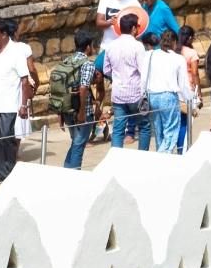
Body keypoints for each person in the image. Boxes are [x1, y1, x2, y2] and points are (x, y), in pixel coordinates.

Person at [0, 18, 34, 183]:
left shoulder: (16, 52)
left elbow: (24, 80)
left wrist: (24, 105)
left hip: (9, 105)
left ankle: (9, 174)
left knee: (6, 140)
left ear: (3, 34)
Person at [103, 13, 152, 150]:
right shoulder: (137, 46)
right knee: (144, 126)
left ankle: (115, 159)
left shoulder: (110, 46)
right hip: (136, 94)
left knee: (118, 130)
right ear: (133, 29)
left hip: (118, 94)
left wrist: (118, 76)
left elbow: (106, 70)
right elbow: (144, 71)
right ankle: (142, 155)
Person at [61, 29, 103, 170]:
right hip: (81, 112)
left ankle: (67, 170)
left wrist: (61, 113)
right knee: (79, 145)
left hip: (67, 109)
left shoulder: (67, 60)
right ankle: (74, 175)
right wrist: (82, 113)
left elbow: (62, 87)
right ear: (87, 47)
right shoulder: (87, 64)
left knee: (76, 143)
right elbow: (84, 88)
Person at [145, 30, 188, 153]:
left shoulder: (150, 55)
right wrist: (190, 99)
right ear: (174, 42)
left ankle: (161, 155)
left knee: (159, 132)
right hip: (168, 97)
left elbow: (144, 78)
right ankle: (161, 157)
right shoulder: (178, 58)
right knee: (170, 132)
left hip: (152, 96)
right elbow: (184, 84)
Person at [177, 25, 202, 151]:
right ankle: (183, 148)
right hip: (189, 90)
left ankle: (179, 147)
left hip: (176, 89)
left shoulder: (175, 50)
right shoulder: (192, 53)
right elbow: (195, 73)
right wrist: (199, 94)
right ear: (190, 38)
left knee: (178, 122)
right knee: (186, 123)